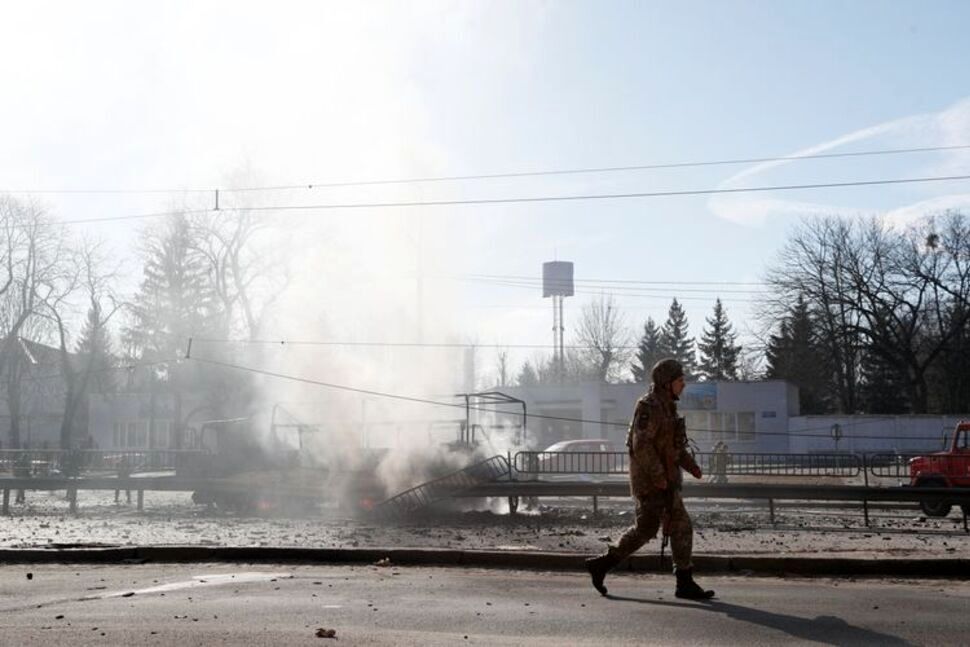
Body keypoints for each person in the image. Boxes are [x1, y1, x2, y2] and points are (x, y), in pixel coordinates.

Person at [585, 358, 714, 599]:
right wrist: (658, 477)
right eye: (680, 381)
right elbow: (641, 445)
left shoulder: (668, 407)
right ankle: (683, 582)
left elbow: (674, 447)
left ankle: (602, 565)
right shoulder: (649, 407)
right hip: (651, 483)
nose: (683, 385)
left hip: (665, 481)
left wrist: (691, 466)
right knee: (668, 527)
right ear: (666, 383)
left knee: (654, 529)